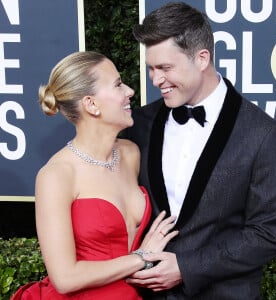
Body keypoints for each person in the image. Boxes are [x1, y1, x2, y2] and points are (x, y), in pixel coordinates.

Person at [123, 2, 276, 299]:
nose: (155, 80)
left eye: (165, 68)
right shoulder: (140, 124)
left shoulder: (264, 135)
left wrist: (186, 267)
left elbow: (269, 233)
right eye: (151, 68)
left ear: (202, 58)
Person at [11, 51, 179, 300]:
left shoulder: (130, 154)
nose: (130, 91)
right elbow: (65, 279)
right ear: (91, 104)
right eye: (118, 84)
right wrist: (140, 257)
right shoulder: (56, 175)